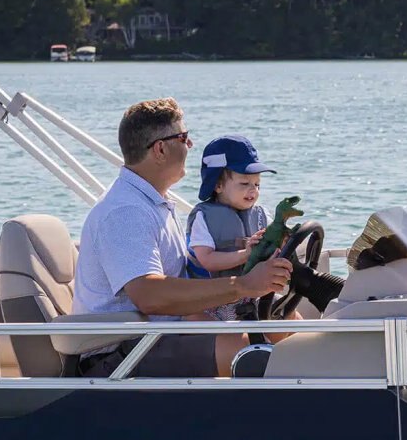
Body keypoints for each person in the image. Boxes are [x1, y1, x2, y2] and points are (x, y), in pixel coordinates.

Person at [71, 97, 292, 377]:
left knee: (284, 329)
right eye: (184, 138)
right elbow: (149, 295)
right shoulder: (125, 211)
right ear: (161, 149)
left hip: (161, 335)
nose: (190, 145)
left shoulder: (152, 203)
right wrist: (244, 285)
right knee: (258, 352)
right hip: (122, 355)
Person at [185, 135, 274, 322]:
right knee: (237, 330)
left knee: (289, 314)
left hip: (255, 295)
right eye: (244, 184)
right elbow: (207, 260)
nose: (253, 190)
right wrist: (245, 254)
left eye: (257, 184)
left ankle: (297, 342)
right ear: (218, 185)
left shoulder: (262, 215)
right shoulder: (204, 217)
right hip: (217, 300)